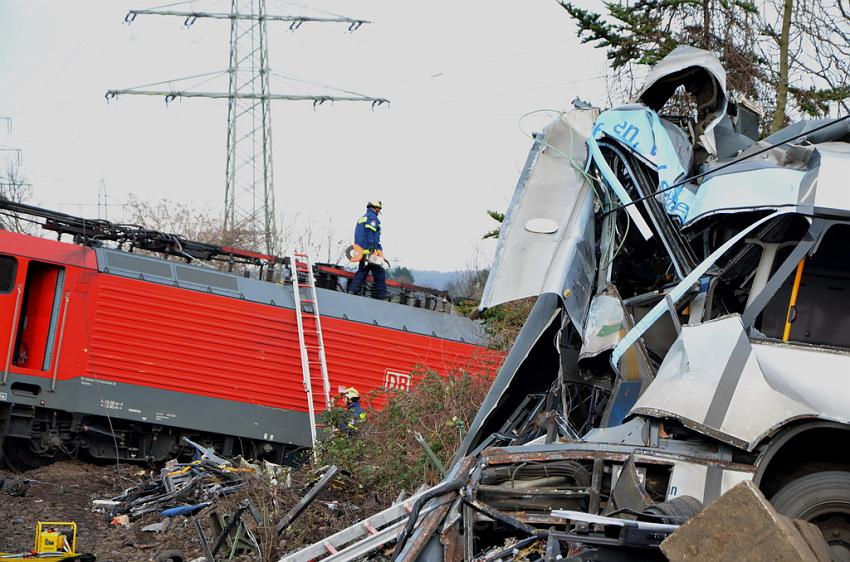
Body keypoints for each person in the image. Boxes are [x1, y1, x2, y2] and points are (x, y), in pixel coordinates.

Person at [348, 200, 388, 299]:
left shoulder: (362, 218)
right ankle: (383, 294)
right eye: (379, 208)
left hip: (360, 252)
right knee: (379, 272)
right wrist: (372, 248)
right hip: (369, 251)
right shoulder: (372, 218)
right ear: (376, 208)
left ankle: (352, 290)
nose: (379, 211)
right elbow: (371, 233)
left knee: (362, 271)